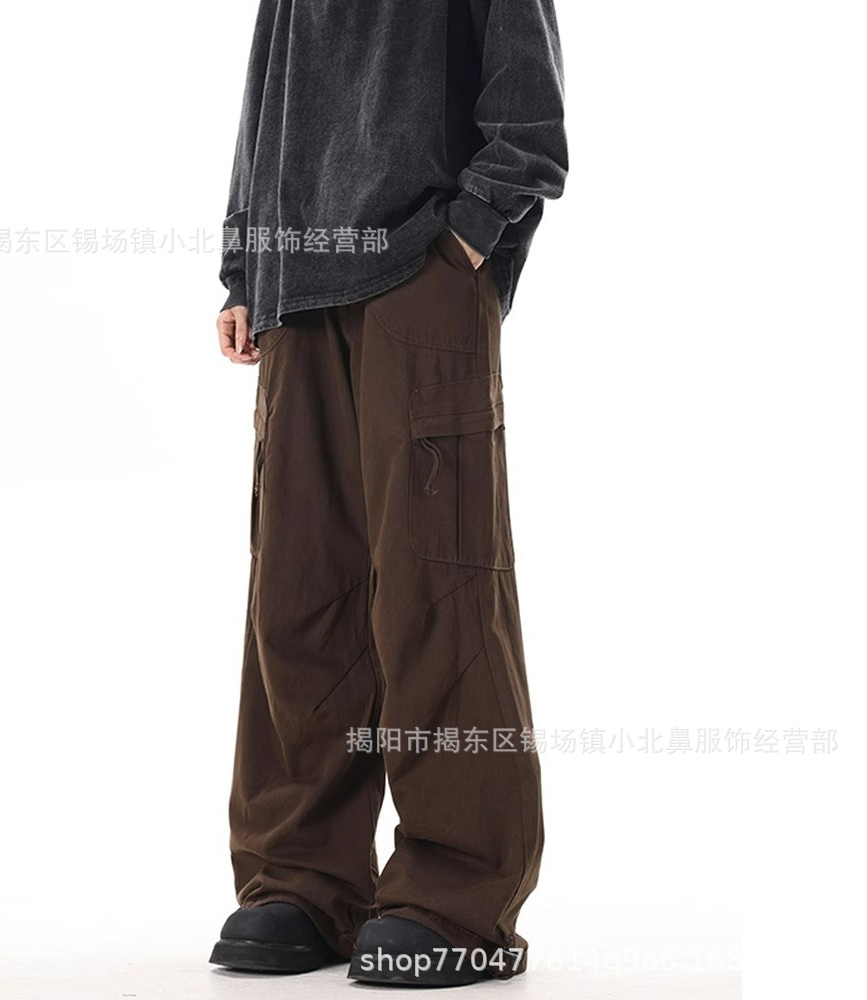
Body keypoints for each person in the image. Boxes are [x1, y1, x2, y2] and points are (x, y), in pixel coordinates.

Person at [210, 0, 567, 987]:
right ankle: (303, 877)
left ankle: (458, 895)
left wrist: (462, 247)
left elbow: (530, 124)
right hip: (295, 289)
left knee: (436, 589)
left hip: (418, 271)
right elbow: (268, 97)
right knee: (296, 592)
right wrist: (244, 266)